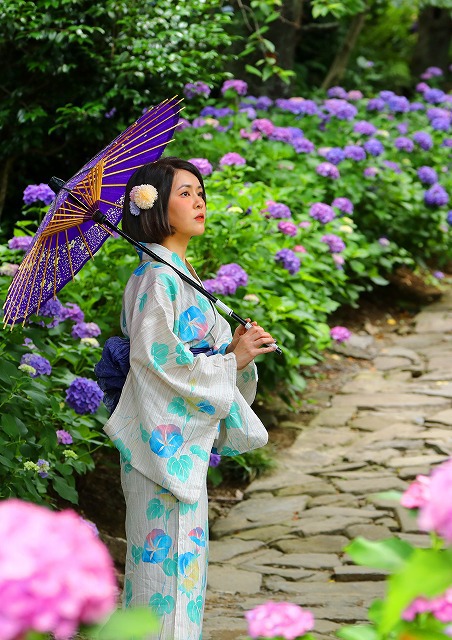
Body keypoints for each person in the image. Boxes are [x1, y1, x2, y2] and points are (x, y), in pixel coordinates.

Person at [100, 157, 276, 640]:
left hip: (176, 439)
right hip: (162, 444)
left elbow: (188, 354)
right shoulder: (158, 277)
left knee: (181, 572)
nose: (198, 200)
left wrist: (236, 347)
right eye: (184, 193)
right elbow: (157, 365)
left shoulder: (177, 273)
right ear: (152, 204)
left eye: (200, 191)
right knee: (166, 572)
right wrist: (231, 361)